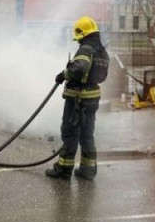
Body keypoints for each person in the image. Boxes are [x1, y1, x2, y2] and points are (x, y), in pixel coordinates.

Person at [46, 16, 110, 181]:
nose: (77, 42)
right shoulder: (102, 52)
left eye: (78, 37)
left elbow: (79, 68)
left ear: (83, 33)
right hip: (92, 98)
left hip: (78, 100)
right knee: (87, 135)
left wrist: (64, 74)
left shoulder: (85, 49)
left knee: (70, 133)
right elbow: (101, 76)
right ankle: (88, 171)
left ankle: (64, 169)